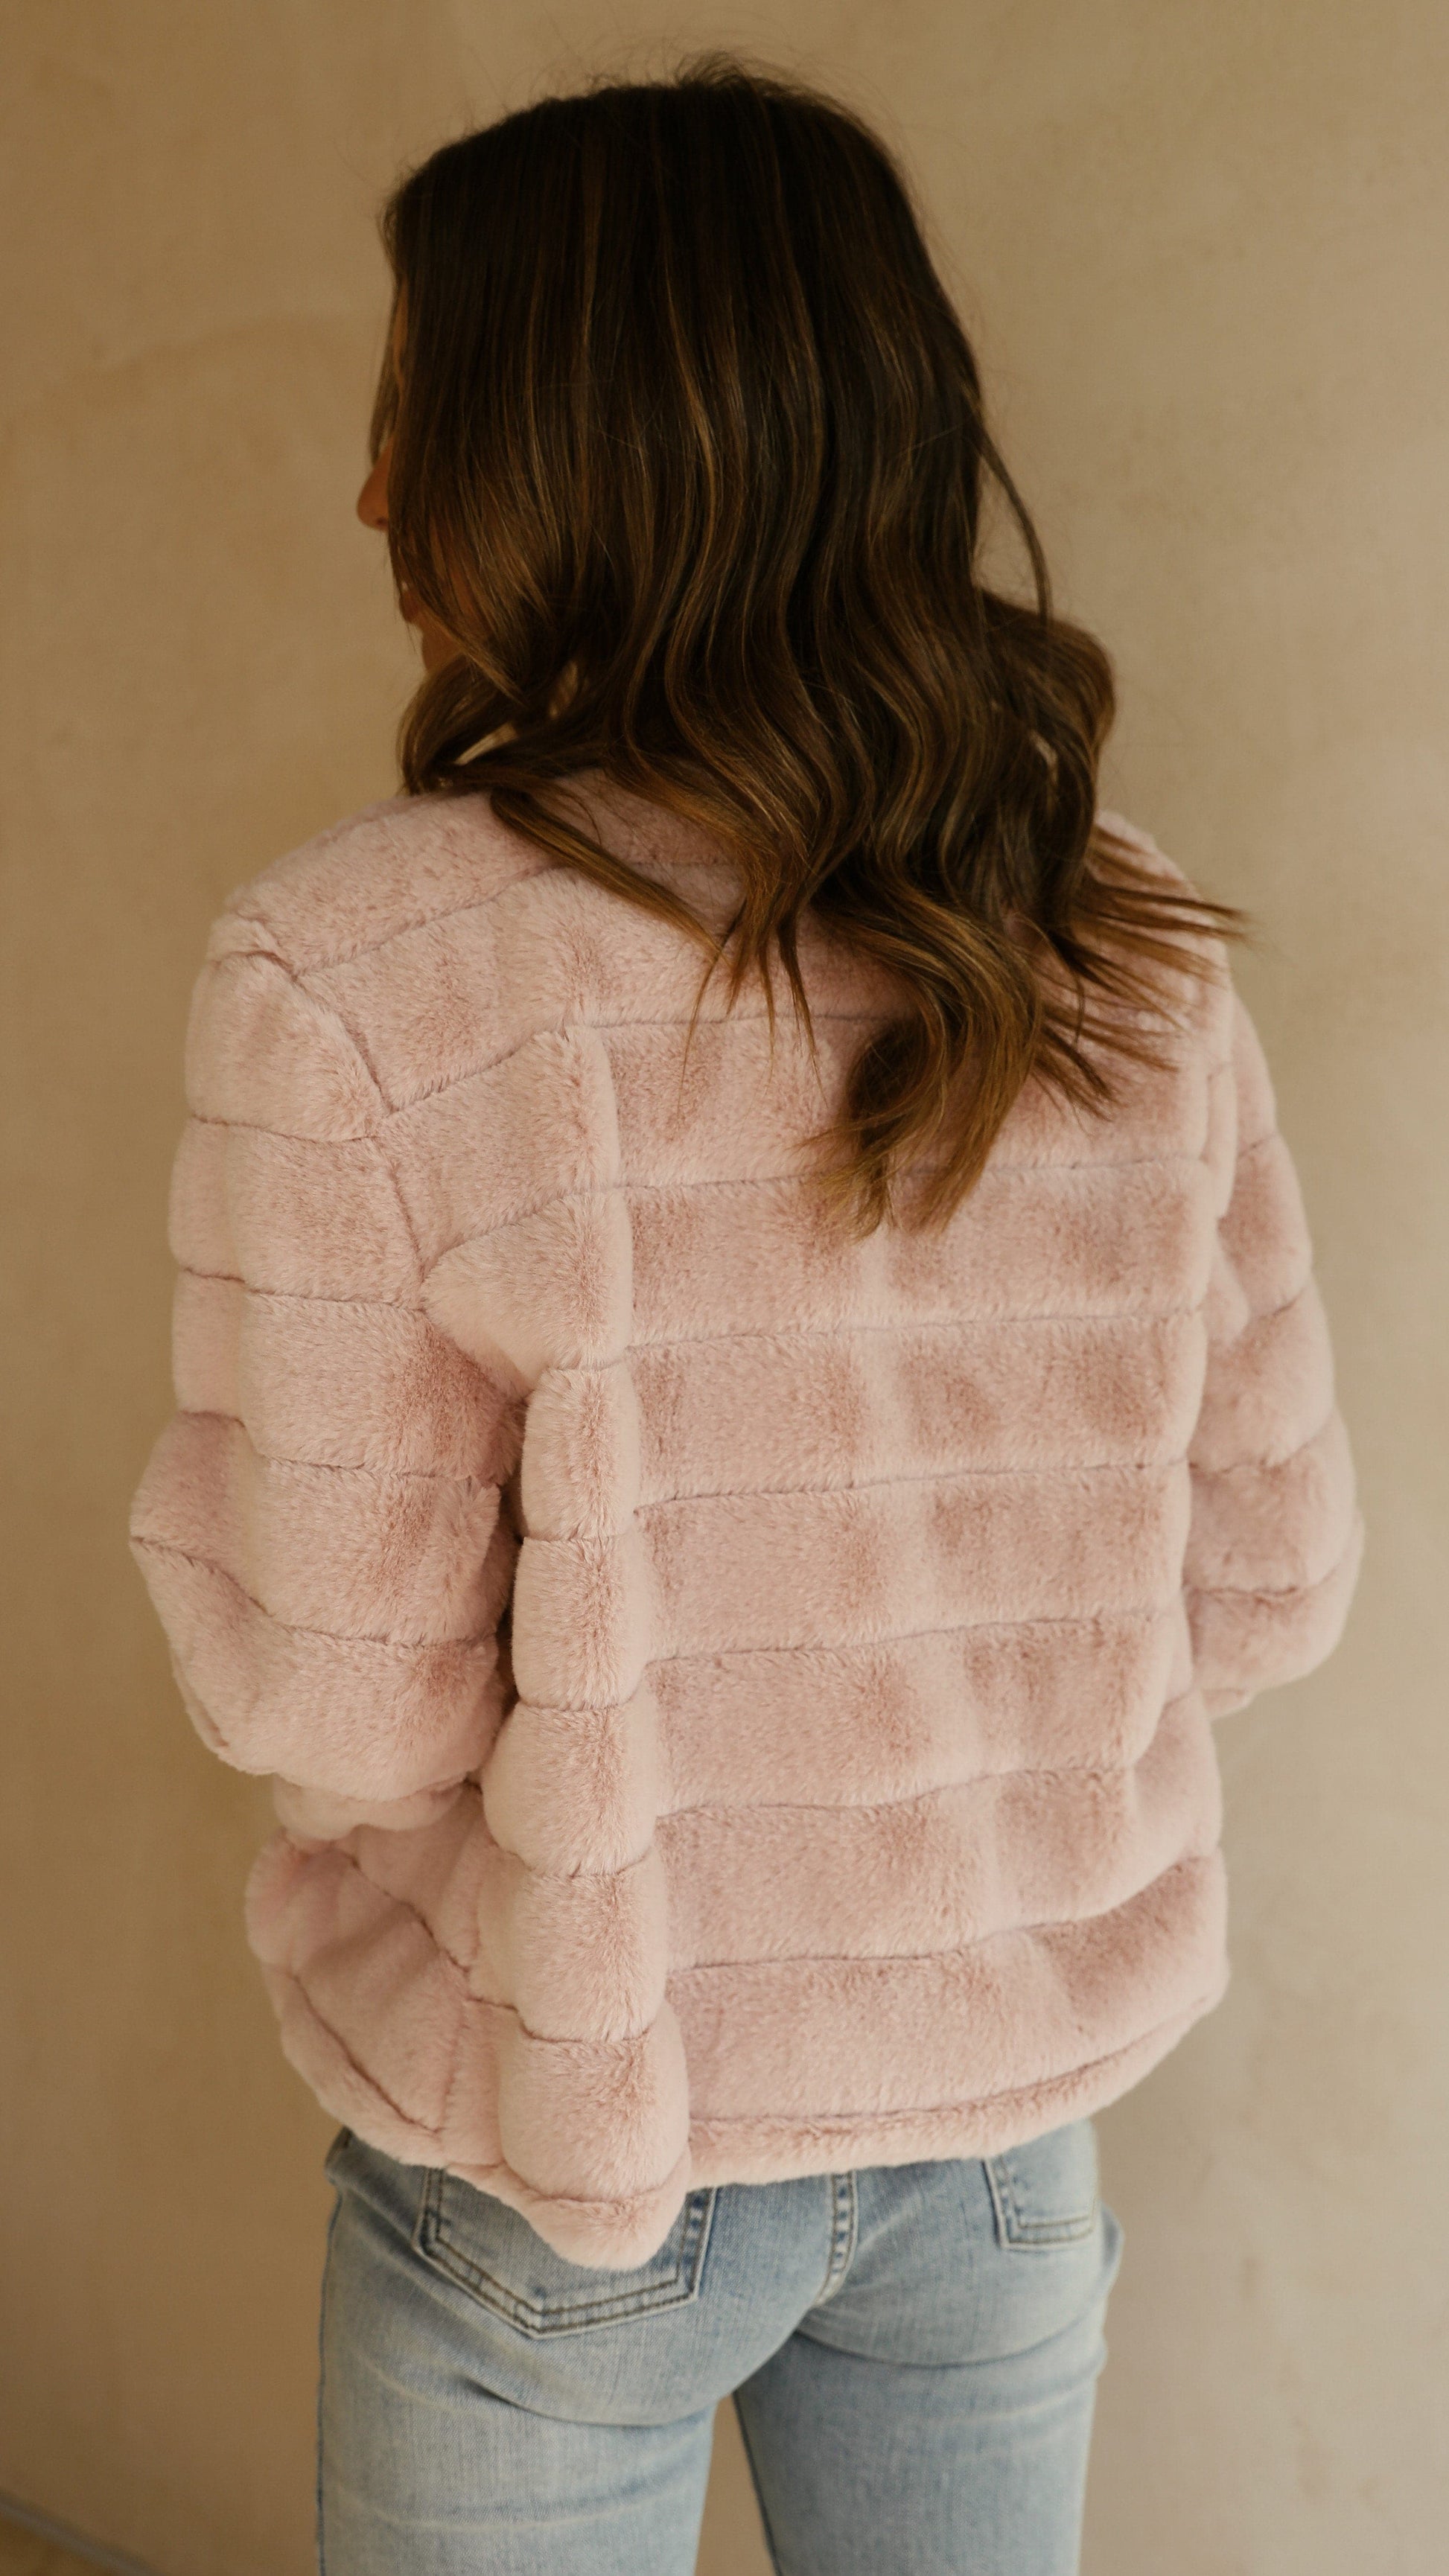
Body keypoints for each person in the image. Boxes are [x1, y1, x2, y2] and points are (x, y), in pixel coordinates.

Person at [130, 57, 1363, 2576]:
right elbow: (1262, 1590)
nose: (372, 490)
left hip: (580, 2142)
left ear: (584, 448)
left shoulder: (359, 973)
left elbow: (340, 1697)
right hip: (1000, 2122)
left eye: (420, 407)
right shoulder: (1113, 932)